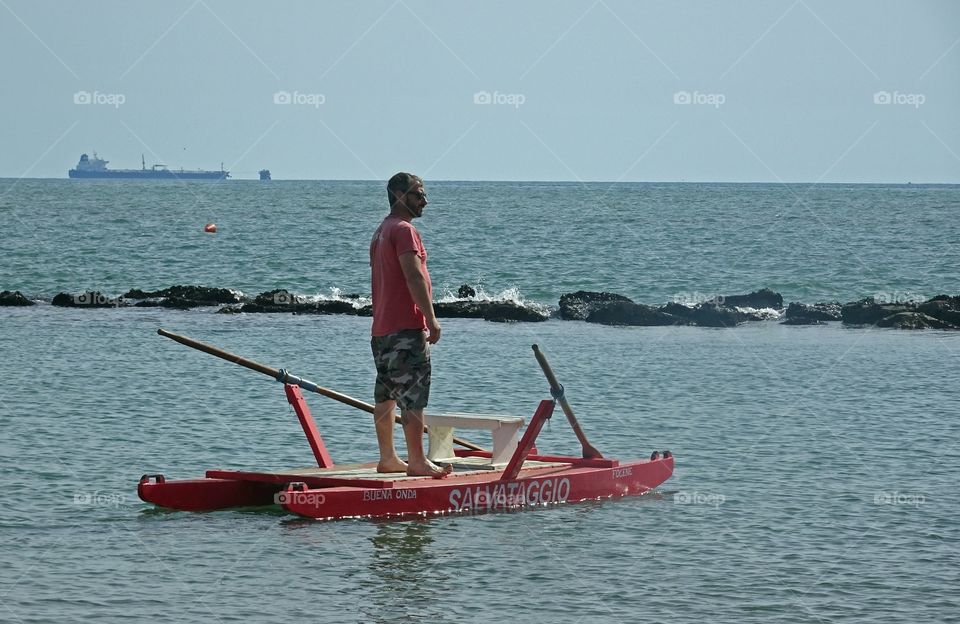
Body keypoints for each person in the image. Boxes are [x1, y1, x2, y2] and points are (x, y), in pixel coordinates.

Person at [369, 172, 451, 478]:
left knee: (386, 393)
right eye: (419, 194)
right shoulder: (403, 230)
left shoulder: (381, 230)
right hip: (405, 327)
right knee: (413, 393)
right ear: (399, 195)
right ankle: (417, 461)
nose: (424, 201)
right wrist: (431, 319)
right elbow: (413, 275)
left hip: (382, 329)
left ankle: (388, 458)